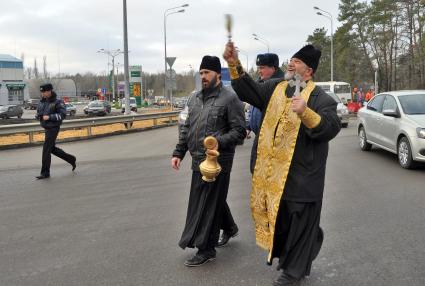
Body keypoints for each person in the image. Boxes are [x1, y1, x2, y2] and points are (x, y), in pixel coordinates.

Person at [223, 43, 341, 285]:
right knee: (284, 223)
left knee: (301, 224)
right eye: (291, 60)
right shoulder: (275, 88)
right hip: (275, 177)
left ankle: (292, 272)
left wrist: (306, 112)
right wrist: (234, 64)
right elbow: (249, 91)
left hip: (304, 177)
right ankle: (302, 251)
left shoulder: (321, 98)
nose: (291, 64)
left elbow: (330, 128)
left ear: (308, 71)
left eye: (297, 62)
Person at [171, 55, 246, 267]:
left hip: (218, 162)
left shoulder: (230, 98)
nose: (203, 76)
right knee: (211, 200)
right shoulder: (194, 98)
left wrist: (216, 143)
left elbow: (239, 132)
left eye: (207, 73)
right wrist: (178, 153)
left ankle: (206, 249)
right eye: (201, 73)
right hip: (197, 160)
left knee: (205, 204)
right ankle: (229, 227)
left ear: (217, 74)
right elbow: (187, 128)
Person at [248, 53, 284, 173]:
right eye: (258, 68)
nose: (259, 71)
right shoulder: (260, 84)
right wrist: (249, 125)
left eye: (262, 67)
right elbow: (254, 108)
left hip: (272, 143)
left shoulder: (280, 87)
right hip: (259, 137)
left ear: (273, 68)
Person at [35, 83, 76, 179]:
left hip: (53, 128)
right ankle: (71, 159)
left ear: (49, 91)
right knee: (51, 149)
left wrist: (49, 117)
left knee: (46, 149)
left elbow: (62, 115)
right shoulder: (42, 102)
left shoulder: (58, 102)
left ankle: (45, 173)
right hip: (47, 127)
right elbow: (39, 113)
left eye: (44, 92)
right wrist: (38, 116)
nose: (42, 94)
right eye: (42, 92)